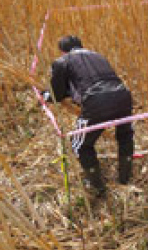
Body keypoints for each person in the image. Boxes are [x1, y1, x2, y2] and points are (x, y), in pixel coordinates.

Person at [42, 35, 134, 196]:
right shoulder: (98, 55)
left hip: (96, 101)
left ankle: (98, 187)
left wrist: (46, 96)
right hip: (123, 95)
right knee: (125, 135)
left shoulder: (62, 62)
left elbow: (57, 95)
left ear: (63, 51)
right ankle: (125, 178)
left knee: (81, 144)